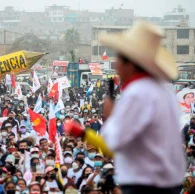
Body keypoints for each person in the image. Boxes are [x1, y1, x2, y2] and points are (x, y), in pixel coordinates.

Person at [65, 21, 186, 194]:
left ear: (130, 63)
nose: (116, 65)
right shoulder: (164, 91)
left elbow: (113, 142)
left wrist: (110, 117)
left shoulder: (137, 93)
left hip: (144, 185)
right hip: (167, 184)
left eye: (118, 59)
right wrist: (84, 134)